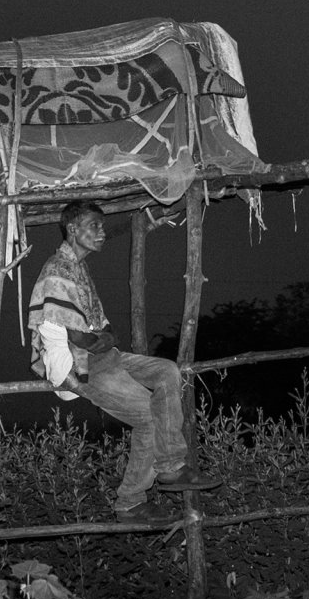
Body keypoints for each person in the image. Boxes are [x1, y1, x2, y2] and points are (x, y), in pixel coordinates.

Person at [28, 200, 221, 519]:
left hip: (104, 356)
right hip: (80, 367)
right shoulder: (57, 269)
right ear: (73, 229)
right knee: (148, 415)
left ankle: (171, 466)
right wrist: (103, 338)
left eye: (102, 226)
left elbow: (103, 328)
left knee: (166, 372)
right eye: (95, 226)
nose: (102, 232)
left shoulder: (78, 267)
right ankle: (130, 500)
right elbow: (79, 337)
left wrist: (104, 338)